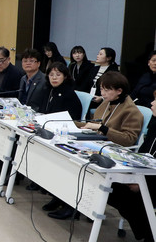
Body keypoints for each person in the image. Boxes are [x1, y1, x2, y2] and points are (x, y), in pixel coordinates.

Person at [46, 71, 144, 220]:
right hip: (95, 145)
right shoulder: (106, 103)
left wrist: (103, 129)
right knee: (65, 158)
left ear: (119, 91)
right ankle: (62, 198)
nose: (102, 93)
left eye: (107, 90)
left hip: (112, 153)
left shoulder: (131, 111)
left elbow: (129, 139)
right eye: (102, 89)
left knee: (76, 165)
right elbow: (93, 124)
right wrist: (68, 122)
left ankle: (72, 207)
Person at [107, 90, 156, 242]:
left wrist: (141, 182)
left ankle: (150, 235)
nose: (152, 103)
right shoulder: (154, 124)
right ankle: (146, 231)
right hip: (143, 175)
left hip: (151, 181)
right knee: (111, 186)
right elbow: (143, 154)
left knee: (123, 193)